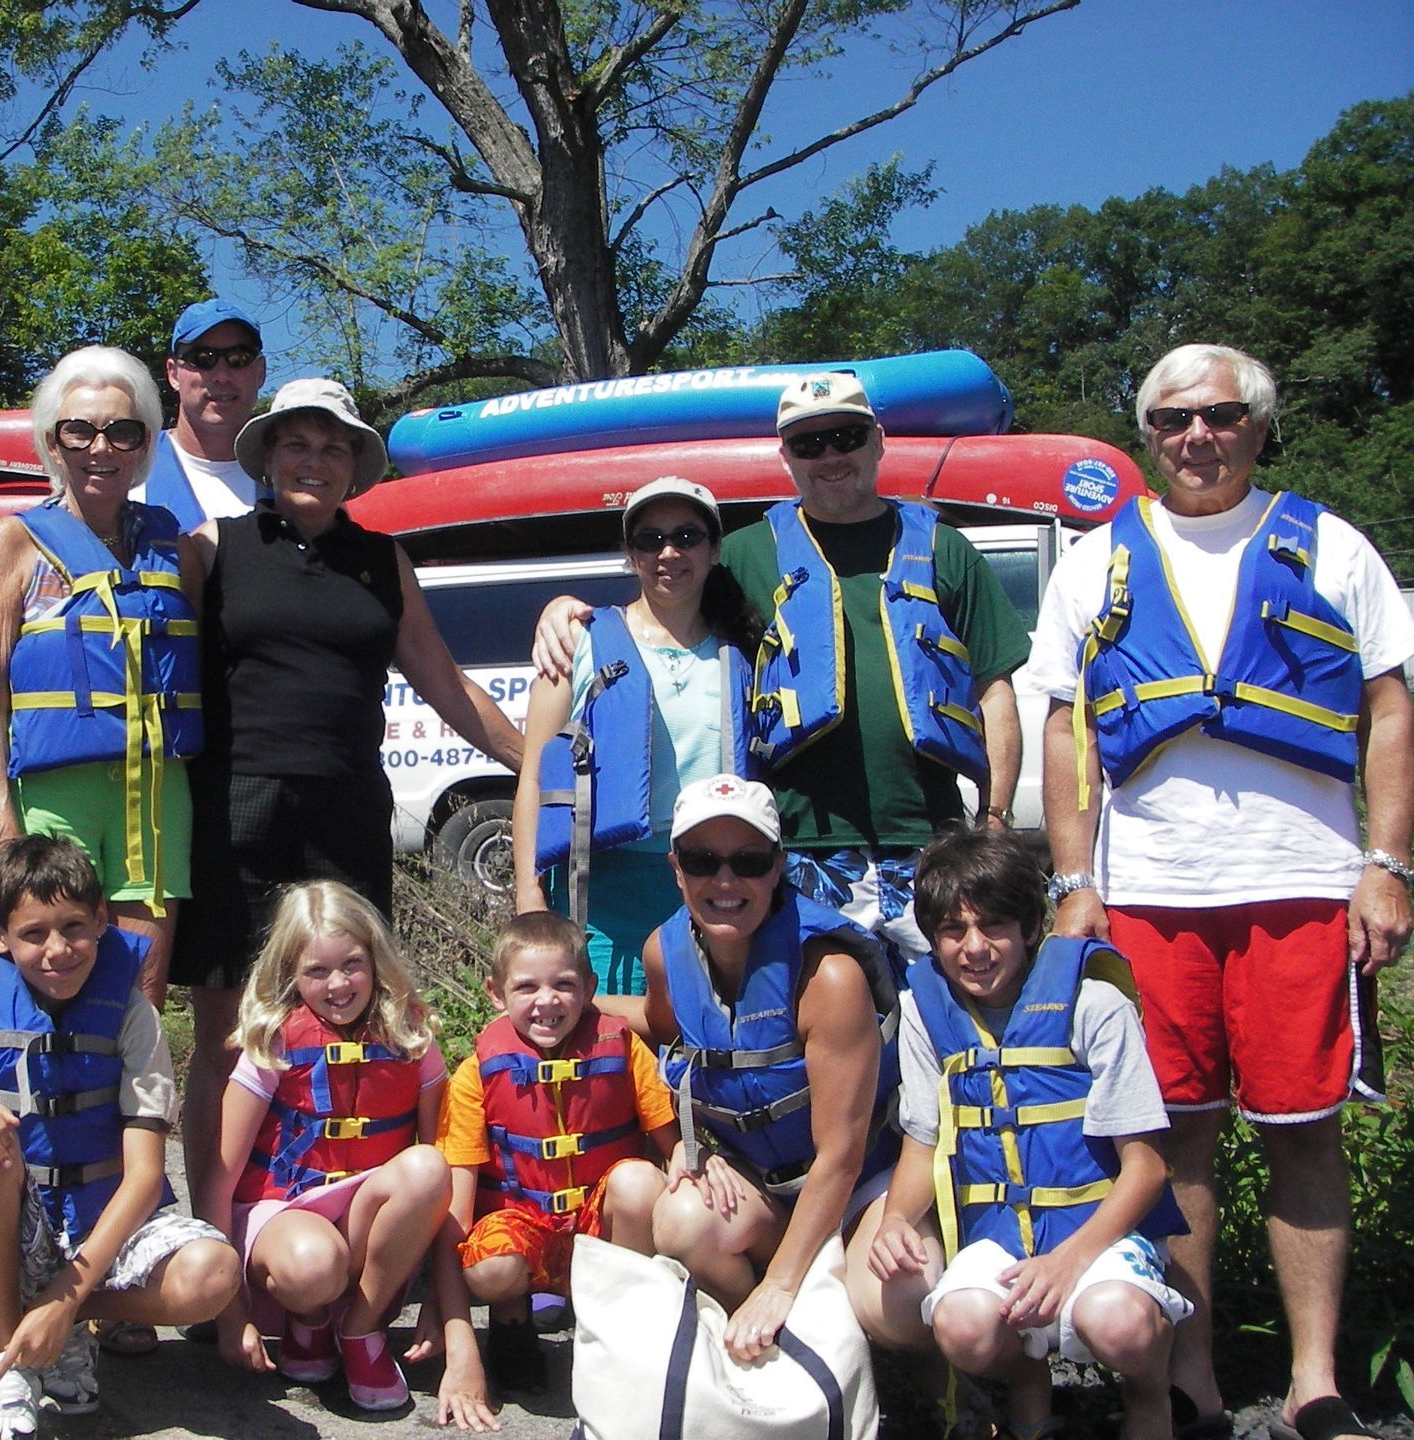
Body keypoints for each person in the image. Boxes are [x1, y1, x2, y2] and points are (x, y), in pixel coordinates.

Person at [1030, 344, 1414, 1440]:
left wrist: (1385, 867)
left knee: (1306, 1131)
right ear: (1146, 433)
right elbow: (1066, 729)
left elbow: (1390, 706)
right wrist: (1075, 881)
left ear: (1257, 425)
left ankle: (1314, 1381)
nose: (1198, 436)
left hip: (1304, 888)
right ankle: (1188, 1376)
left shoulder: (1332, 545)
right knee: (1175, 1136)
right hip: (1152, 897)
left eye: (1221, 415)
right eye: (1173, 420)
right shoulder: (1095, 561)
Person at [535, 372, 1029, 966]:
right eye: (808, 444)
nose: (830, 456)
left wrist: (995, 817)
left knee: (949, 1012)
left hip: (932, 838)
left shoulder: (946, 549)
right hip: (795, 848)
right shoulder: (744, 554)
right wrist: (562, 610)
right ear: (786, 456)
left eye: (845, 436)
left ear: (878, 440)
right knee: (826, 1020)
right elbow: (661, 597)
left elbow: (994, 690)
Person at [172, 377, 524, 1212]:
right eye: (297, 442)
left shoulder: (381, 559)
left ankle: (356, 1220)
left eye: (334, 447)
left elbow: (441, 678)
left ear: (356, 465)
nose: (315, 460)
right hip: (237, 809)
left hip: (348, 813)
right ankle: (218, 1240)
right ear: (267, 455)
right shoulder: (212, 546)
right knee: (232, 1035)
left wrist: (537, 761)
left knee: (359, 1029)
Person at [0, 835, 239, 1439]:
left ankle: (59, 1324)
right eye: (33, 934)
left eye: (75, 927)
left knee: (213, 1273)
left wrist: (64, 1299)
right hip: (11, 1235)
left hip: (104, 1231)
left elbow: (147, 1175)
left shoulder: (132, 1015)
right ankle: (6, 1361)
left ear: (102, 920)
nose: (58, 950)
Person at [867, 826, 1192, 1440]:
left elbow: (1147, 1167)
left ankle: (1150, 1395)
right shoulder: (922, 1012)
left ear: (1029, 928)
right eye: (953, 932)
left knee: (1116, 1320)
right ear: (933, 939)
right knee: (961, 1326)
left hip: (1096, 1230)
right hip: (999, 1235)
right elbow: (922, 1143)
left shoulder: (1094, 1002)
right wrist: (893, 1222)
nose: (975, 948)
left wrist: (1070, 1261)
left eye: (993, 926)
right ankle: (1029, 1383)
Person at [0, 345, 203, 1018]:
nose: (101, 448)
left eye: (123, 431)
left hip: (157, 796)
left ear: (145, 444)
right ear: (53, 441)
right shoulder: (16, 541)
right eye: (81, 430)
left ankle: (129, 1124)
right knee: (42, 988)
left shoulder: (177, 548)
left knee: (141, 998)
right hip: (51, 796)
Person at [640, 774, 904, 1361]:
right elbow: (661, 1036)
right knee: (682, 1222)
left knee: (899, 1306)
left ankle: (918, 1381)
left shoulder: (829, 975)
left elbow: (842, 1155)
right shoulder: (664, 954)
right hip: (763, 1187)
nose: (726, 880)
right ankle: (778, 1350)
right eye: (703, 859)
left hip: (858, 1188)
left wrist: (780, 1286)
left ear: (778, 865)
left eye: (750, 860)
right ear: (676, 867)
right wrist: (574, 1005)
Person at [203, 880, 475, 1416]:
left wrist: (443, 1306)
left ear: (375, 960)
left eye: (352, 964)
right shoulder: (274, 1040)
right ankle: (308, 1321)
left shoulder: (413, 1036)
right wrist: (229, 1316)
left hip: (367, 1223)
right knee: (311, 1265)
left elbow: (446, 1170)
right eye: (316, 972)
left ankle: (360, 1329)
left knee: (428, 1166)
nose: (338, 984)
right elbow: (219, 1179)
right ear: (291, 975)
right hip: (284, 1214)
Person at [511, 477, 762, 997]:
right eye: (650, 540)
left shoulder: (745, 652)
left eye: (687, 537)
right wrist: (529, 901)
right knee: (604, 1039)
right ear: (630, 554)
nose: (668, 553)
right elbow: (534, 776)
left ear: (715, 550)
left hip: (710, 883)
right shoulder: (576, 641)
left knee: (701, 1040)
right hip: (597, 887)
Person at [436, 910, 676, 1401]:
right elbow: (456, 1217)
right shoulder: (475, 1074)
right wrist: (446, 1326)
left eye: (564, 985)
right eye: (526, 988)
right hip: (524, 1228)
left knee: (641, 1183)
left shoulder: (624, 1048)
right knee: (488, 1264)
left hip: (600, 1228)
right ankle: (512, 1322)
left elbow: (676, 1153)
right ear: (495, 994)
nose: (547, 1001)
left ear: (588, 988)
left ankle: (618, 1331)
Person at [138, 297, 270, 530]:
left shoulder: (290, 476)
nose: (222, 375)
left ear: (260, 372)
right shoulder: (132, 469)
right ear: (173, 373)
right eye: (202, 359)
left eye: (238, 359)